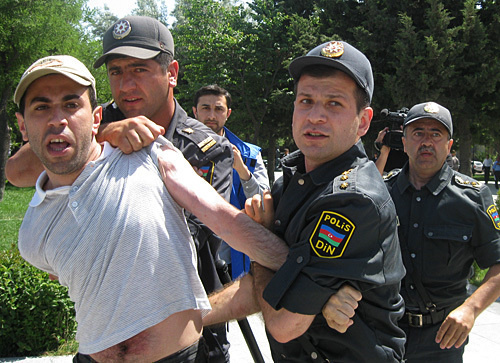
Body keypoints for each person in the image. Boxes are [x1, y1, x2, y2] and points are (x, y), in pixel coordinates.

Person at [157, 40, 406, 362]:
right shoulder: (294, 179)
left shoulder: (352, 199)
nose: (315, 116)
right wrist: (172, 323)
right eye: (306, 101)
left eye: (334, 104)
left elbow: (283, 322)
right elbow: (260, 288)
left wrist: (262, 246)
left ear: (363, 121)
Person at [6, 16, 234, 362]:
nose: (126, 84)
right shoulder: (93, 121)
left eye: (139, 70)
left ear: (171, 72)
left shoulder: (202, 146)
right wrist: (96, 136)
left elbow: (178, 233)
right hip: (104, 334)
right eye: (115, 72)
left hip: (191, 334)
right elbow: (16, 171)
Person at [368, 101, 500, 362]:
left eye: (435, 134)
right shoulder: (380, 193)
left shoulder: (473, 198)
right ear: (404, 143)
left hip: (442, 339)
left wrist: (471, 309)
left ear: (448, 145)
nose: (426, 142)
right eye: (418, 133)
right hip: (381, 332)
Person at [192, 84, 269, 279]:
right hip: (189, 257)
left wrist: (242, 171)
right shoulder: (176, 152)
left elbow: (265, 206)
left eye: (218, 109)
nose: (211, 115)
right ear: (194, 112)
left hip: (232, 261)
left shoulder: (249, 155)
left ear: (228, 114)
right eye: (205, 108)